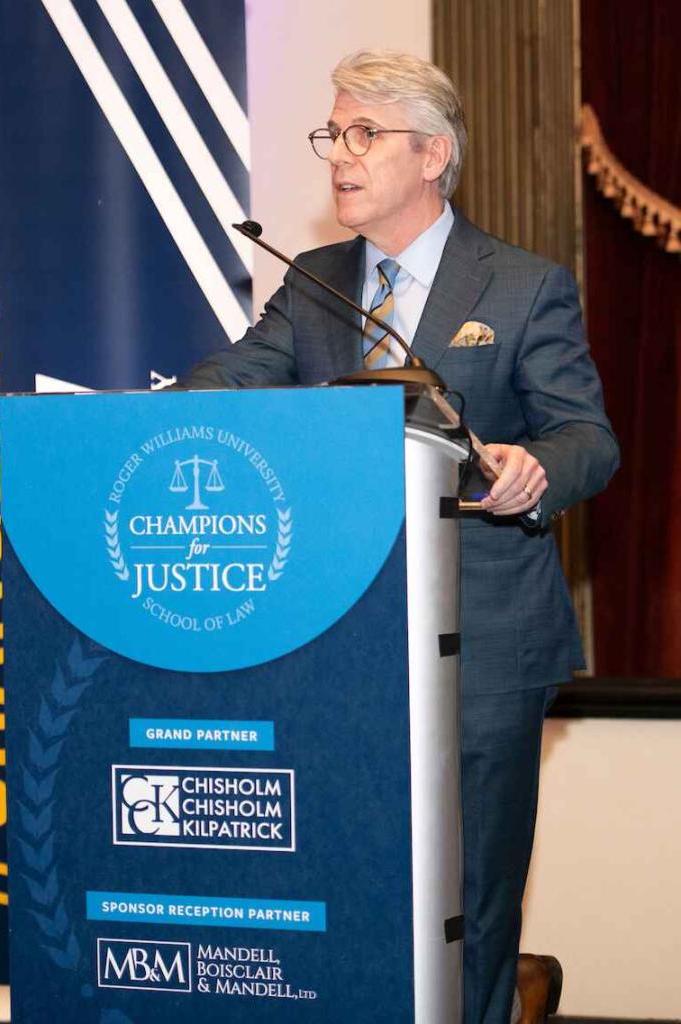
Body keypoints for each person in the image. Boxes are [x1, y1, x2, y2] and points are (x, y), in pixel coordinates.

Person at [181, 49, 619, 1024]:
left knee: (470, 890)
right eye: (332, 133)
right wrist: (155, 415)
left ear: (431, 155)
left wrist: (531, 471)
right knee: (353, 874)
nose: (339, 154)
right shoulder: (315, 282)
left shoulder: (518, 285)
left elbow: (587, 438)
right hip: (340, 627)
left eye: (362, 134)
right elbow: (238, 378)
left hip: (486, 632)